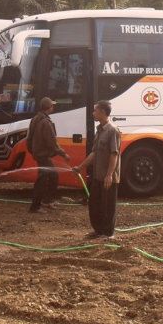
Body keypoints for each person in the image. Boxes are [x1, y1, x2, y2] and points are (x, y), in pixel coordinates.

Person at [73, 100, 121, 239]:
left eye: (95, 110)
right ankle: (98, 230)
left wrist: (109, 175)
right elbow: (94, 153)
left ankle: (108, 233)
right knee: (94, 204)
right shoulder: (99, 130)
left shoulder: (113, 131)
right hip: (98, 175)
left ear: (103, 112)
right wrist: (80, 167)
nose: (93, 113)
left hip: (107, 177)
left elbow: (114, 154)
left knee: (108, 206)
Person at [27, 97, 70, 212]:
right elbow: (52, 143)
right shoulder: (46, 123)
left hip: (39, 154)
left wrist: (33, 151)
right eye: (52, 106)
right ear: (49, 108)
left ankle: (47, 201)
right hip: (43, 155)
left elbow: (28, 139)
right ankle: (35, 207)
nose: (53, 107)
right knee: (42, 180)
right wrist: (64, 154)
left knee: (53, 176)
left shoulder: (35, 119)